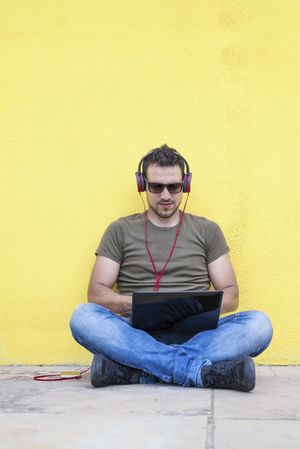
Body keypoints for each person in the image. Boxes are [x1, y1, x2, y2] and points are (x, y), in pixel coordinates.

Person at [70, 144, 273, 391]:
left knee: (259, 325)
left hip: (199, 336)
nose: (165, 195)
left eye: (173, 187)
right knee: (83, 317)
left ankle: (139, 371)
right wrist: (137, 304)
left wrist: (189, 307)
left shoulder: (208, 230)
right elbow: (96, 293)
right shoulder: (120, 230)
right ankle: (198, 371)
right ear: (142, 185)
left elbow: (231, 296)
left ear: (184, 185)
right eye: (156, 187)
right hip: (135, 335)